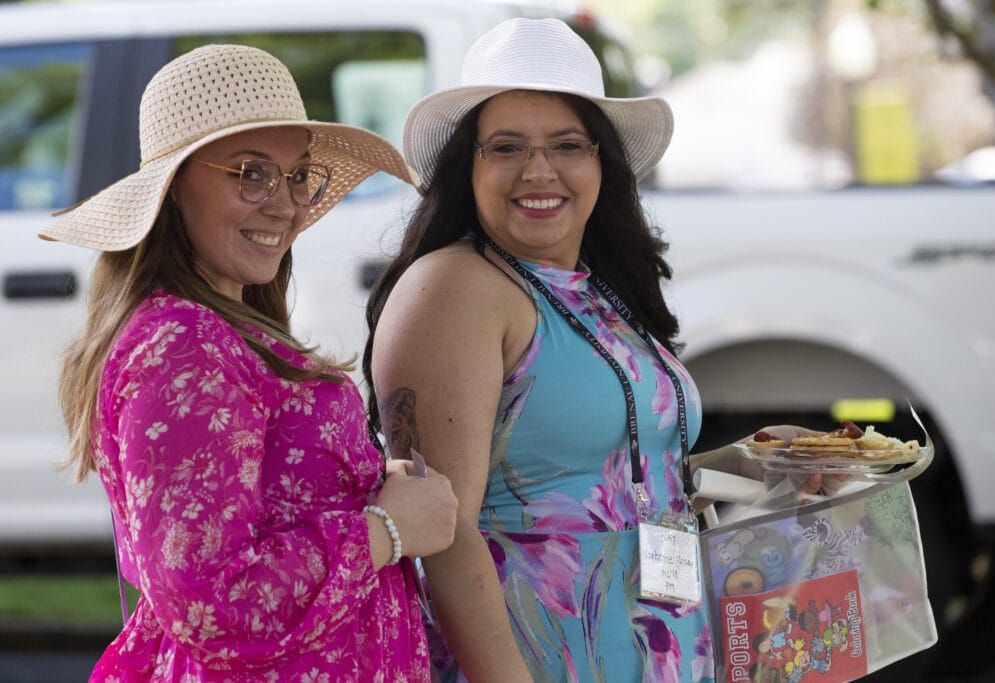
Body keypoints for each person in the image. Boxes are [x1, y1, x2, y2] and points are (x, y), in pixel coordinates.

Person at [363, 18, 822, 683]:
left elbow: (630, 477)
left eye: (567, 144)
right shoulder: (454, 285)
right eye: (506, 147)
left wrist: (761, 466)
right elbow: (445, 530)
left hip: (663, 652)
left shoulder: (597, 288)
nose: (538, 170)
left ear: (600, 159)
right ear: (470, 166)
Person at [42, 44, 457, 681]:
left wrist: (361, 486)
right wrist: (387, 529)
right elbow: (208, 596)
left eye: (296, 175)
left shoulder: (215, 331)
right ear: (175, 185)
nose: (286, 204)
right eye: (250, 172)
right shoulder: (186, 347)